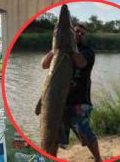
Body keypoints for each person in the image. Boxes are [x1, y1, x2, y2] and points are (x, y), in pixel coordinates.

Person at [41, 24, 102, 162]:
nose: (79, 34)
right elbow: (44, 65)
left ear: (85, 36)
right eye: (76, 31)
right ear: (71, 33)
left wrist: (70, 47)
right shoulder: (57, 50)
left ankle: (98, 159)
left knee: (85, 132)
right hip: (61, 102)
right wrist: (54, 50)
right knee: (57, 133)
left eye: (82, 33)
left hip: (80, 101)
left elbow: (81, 63)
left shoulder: (88, 51)